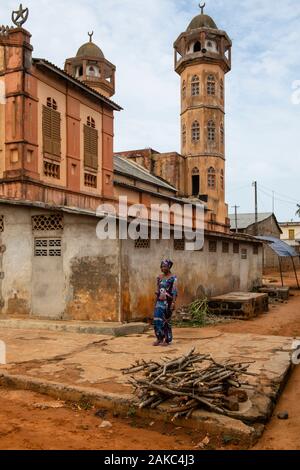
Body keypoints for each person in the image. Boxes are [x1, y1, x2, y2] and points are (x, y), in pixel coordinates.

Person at [153, 259, 178, 346]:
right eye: (162, 266)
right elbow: (157, 290)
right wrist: (155, 302)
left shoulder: (173, 278)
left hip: (168, 302)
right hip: (159, 302)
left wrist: (173, 303)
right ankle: (159, 338)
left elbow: (174, 291)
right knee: (157, 320)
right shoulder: (159, 277)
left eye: (165, 266)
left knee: (166, 321)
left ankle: (167, 340)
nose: (163, 268)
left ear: (169, 267)